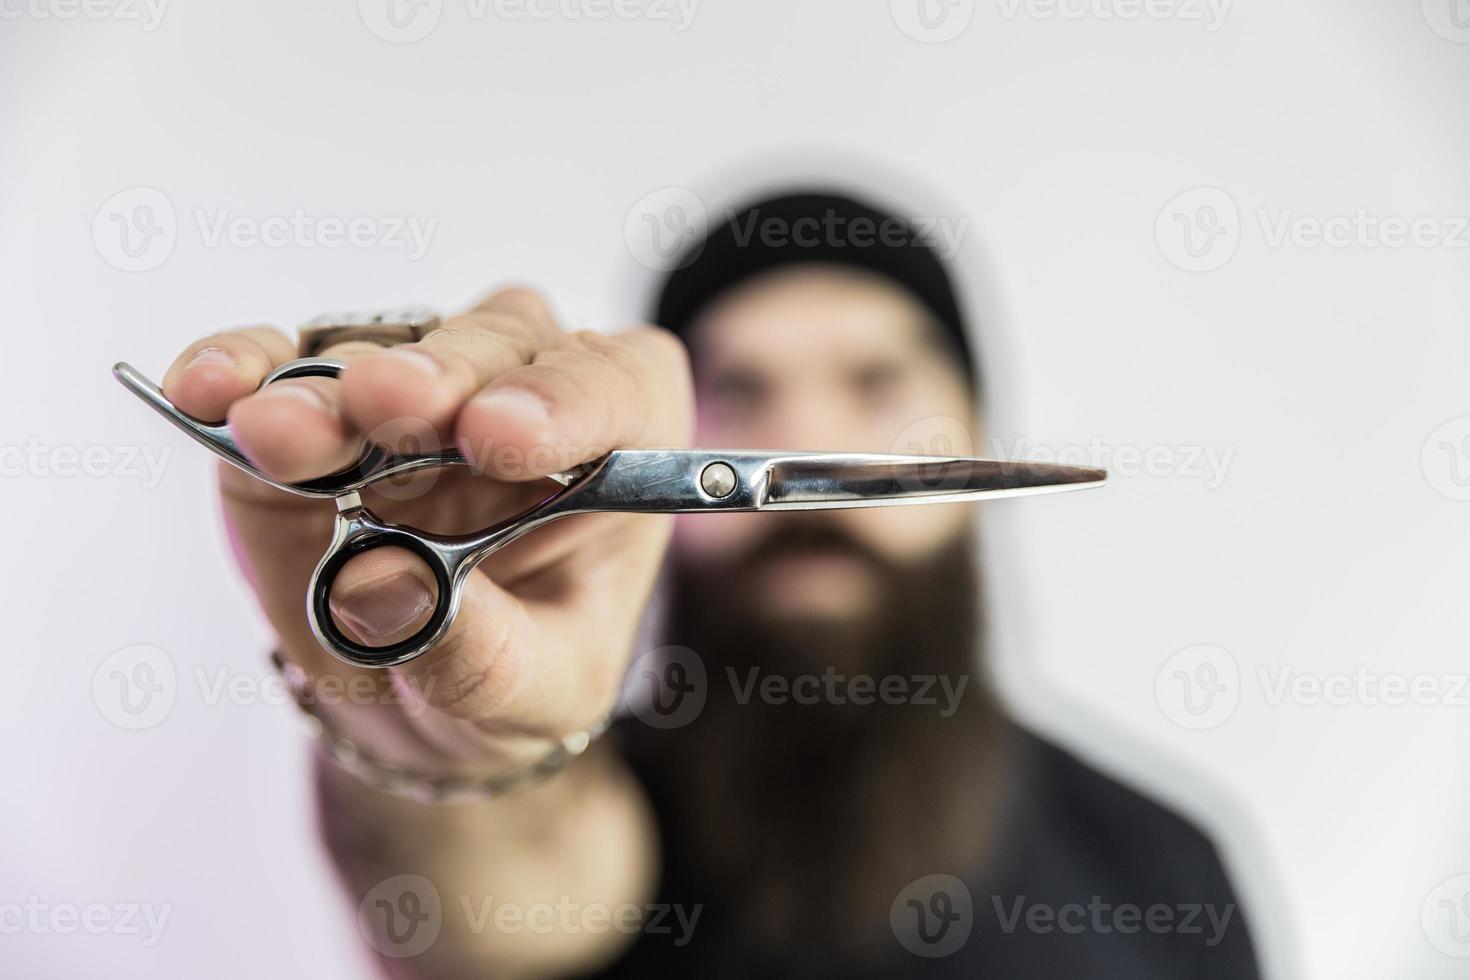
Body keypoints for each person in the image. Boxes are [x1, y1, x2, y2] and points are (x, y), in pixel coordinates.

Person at [159, 191, 1260, 978]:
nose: (808, 435)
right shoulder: (587, 812)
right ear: (673, 454)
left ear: (970, 437)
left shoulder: (1165, 862)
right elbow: (493, 906)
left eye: (877, 382)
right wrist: (434, 736)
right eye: (740, 387)